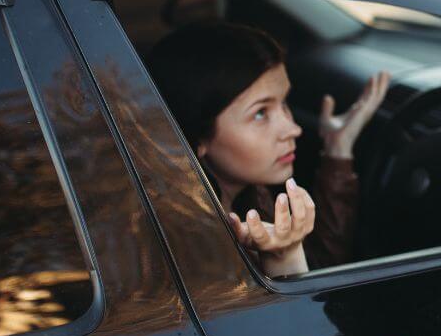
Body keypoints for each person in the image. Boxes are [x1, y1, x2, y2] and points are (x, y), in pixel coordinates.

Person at [146, 20, 391, 276]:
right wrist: (283, 259)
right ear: (196, 138)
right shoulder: (194, 252)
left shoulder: (250, 194)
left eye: (284, 102)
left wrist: (338, 148)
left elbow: (320, 266)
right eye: (261, 113)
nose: (292, 128)